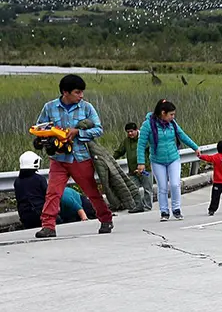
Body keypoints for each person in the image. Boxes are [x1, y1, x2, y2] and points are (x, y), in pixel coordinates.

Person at [32, 74, 114, 238]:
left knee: (91, 191)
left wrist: (78, 132)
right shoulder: (49, 107)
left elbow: (98, 129)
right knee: (53, 192)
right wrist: (44, 138)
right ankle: (48, 226)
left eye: (82, 92)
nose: (81, 96)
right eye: (77, 92)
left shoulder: (86, 108)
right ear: (65, 92)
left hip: (80, 157)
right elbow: (40, 128)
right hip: (58, 158)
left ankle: (106, 219)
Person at [136, 99, 200, 221]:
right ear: (163, 113)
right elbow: (141, 144)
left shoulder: (172, 124)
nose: (173, 117)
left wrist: (195, 147)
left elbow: (182, 135)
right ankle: (164, 211)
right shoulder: (148, 125)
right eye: (171, 114)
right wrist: (141, 162)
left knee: (175, 184)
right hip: (157, 160)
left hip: (173, 158)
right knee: (163, 187)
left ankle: (176, 209)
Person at [114, 121, 153, 212]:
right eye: (128, 132)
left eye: (131, 131)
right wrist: (111, 159)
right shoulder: (126, 141)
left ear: (136, 130)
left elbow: (151, 150)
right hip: (132, 171)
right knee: (132, 188)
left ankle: (147, 206)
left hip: (145, 169)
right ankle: (138, 205)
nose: (130, 133)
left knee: (147, 189)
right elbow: (119, 152)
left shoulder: (144, 138)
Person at [13, 151, 47, 229]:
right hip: (41, 215)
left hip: (25, 217)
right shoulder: (40, 179)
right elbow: (48, 196)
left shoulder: (17, 181)